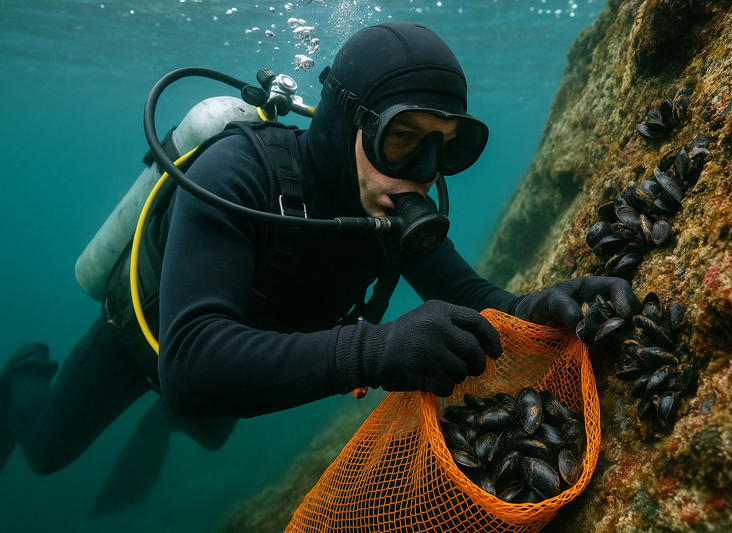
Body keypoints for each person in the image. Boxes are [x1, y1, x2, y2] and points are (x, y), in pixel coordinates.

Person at [0, 22, 637, 513]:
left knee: (207, 428)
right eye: (402, 137)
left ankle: (165, 424)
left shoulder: (386, 200)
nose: (422, 172)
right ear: (347, 125)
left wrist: (532, 308)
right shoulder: (236, 175)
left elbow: (465, 289)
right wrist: (376, 350)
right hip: (143, 340)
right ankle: (22, 374)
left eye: (447, 145)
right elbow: (190, 364)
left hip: (239, 351)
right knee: (48, 452)